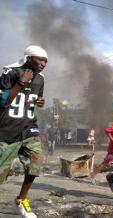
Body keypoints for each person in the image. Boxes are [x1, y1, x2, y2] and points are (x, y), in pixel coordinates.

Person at [0, 45, 48, 218]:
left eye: (46, 61)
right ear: (28, 58)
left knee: (36, 161)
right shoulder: (10, 72)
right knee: (1, 174)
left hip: (28, 127)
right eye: (40, 59)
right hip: (7, 130)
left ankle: (21, 199)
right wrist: (21, 82)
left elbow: (33, 100)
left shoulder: (41, 79)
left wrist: (38, 102)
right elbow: (3, 101)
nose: (43, 63)